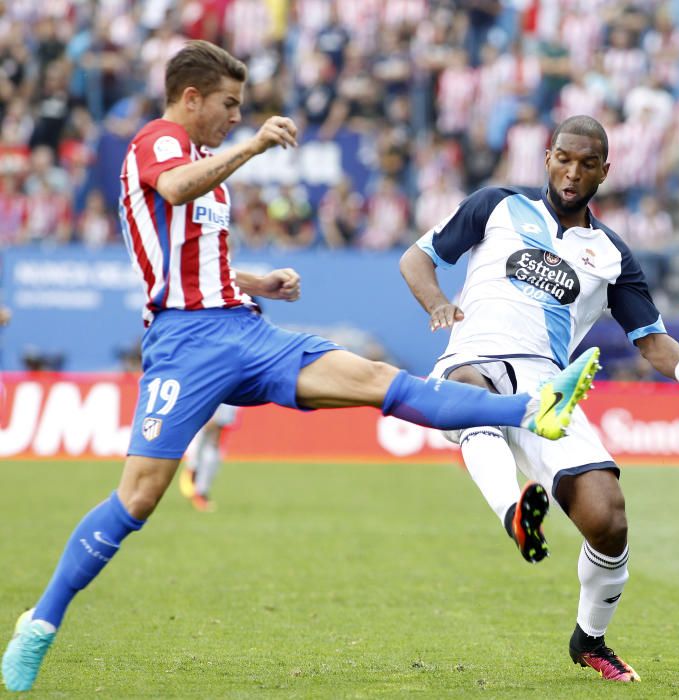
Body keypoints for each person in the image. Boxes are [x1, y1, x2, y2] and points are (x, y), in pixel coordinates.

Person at [0, 41, 598, 693]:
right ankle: (40, 624)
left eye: (241, 110)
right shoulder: (158, 142)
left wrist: (259, 281)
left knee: (376, 381)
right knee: (137, 498)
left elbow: (197, 260)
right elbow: (172, 192)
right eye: (228, 105)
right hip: (185, 344)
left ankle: (532, 409)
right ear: (191, 97)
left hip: (244, 329)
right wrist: (253, 147)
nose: (235, 117)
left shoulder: (204, 160)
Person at [399, 115, 679, 684]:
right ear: (548, 157)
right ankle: (516, 514)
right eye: (564, 158)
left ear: (605, 170)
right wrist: (436, 303)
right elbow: (417, 259)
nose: (572, 171)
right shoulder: (496, 206)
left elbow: (649, 336)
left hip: (546, 388)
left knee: (608, 520)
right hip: (472, 360)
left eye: (587, 163)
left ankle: (590, 639)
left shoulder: (611, 255)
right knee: (468, 397)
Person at [178, 403, 238, 512]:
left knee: (214, 439)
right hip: (207, 393)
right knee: (202, 434)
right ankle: (193, 471)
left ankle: (200, 490)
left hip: (226, 395)